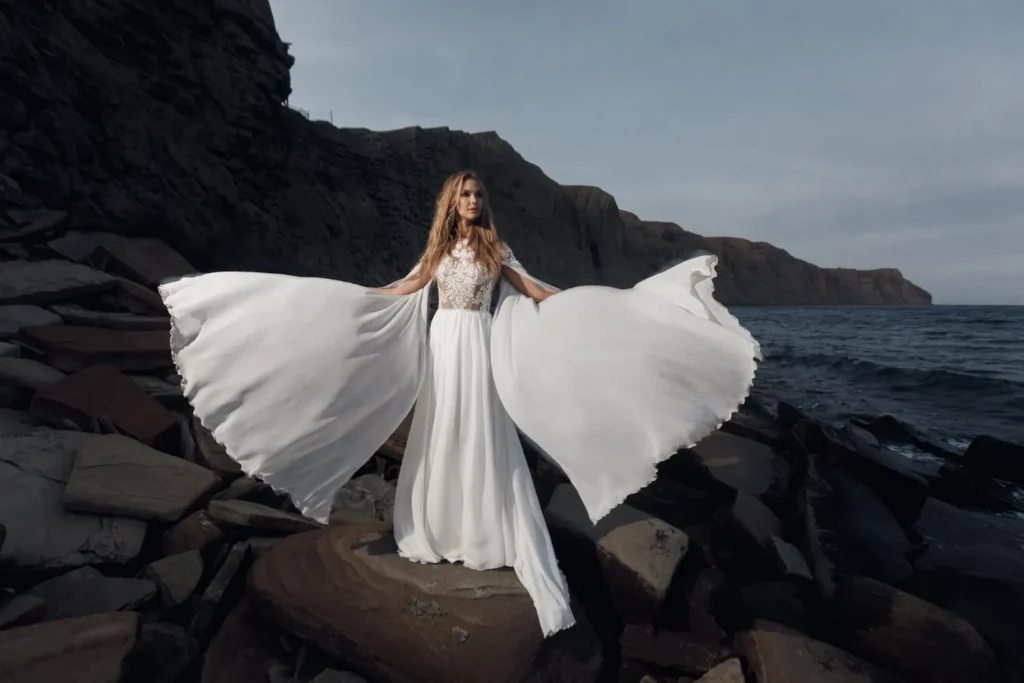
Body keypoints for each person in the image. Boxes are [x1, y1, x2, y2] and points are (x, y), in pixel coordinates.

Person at [159, 169, 761, 638]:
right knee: (442, 433)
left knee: (481, 438)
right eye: (465, 194)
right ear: (452, 200)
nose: (473, 201)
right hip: (443, 345)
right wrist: (351, 303)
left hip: (479, 346)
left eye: (478, 194)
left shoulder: (497, 249)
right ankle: (436, 530)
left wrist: (602, 308)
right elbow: (403, 288)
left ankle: (485, 534)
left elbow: (537, 292)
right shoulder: (439, 251)